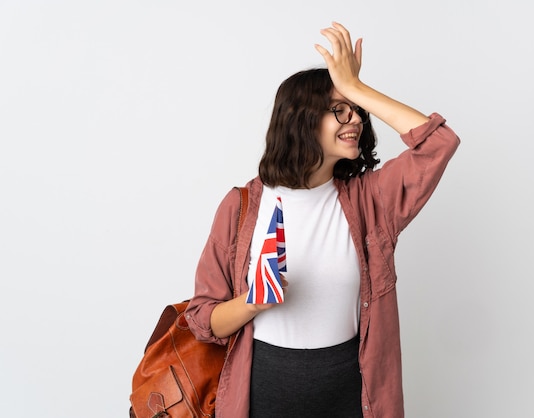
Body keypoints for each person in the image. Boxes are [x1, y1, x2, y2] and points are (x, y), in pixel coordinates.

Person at [185, 22, 460, 418]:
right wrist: (252, 303)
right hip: (262, 393)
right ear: (301, 119)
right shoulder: (241, 207)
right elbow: (202, 318)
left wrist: (356, 87)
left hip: (350, 396)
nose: (356, 119)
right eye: (339, 109)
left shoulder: (371, 203)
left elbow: (438, 143)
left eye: (357, 111)